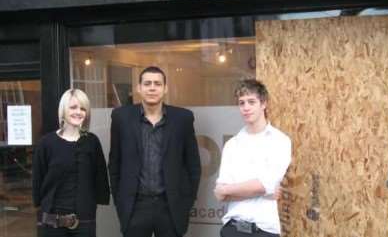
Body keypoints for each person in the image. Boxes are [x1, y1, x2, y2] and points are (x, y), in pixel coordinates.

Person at [108, 66, 201, 237]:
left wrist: (186, 201)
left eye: (157, 84)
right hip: (135, 206)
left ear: (165, 88)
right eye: (147, 83)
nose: (152, 88)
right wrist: (120, 201)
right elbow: (114, 162)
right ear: (139, 88)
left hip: (170, 206)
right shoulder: (121, 117)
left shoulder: (183, 118)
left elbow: (193, 164)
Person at [214, 79, 291, 237]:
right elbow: (220, 195)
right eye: (242, 103)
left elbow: (263, 185)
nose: (246, 108)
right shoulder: (232, 145)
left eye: (251, 102)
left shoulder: (280, 141)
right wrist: (264, 191)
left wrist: (228, 189)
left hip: (263, 230)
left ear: (263, 104)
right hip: (232, 229)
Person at [32, 89, 110, 237]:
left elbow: (100, 176)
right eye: (73, 107)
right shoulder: (46, 143)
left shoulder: (92, 141)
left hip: (84, 222)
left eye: (83, 108)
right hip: (52, 223)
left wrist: (100, 198)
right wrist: (39, 204)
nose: (78, 112)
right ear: (63, 110)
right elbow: (38, 179)